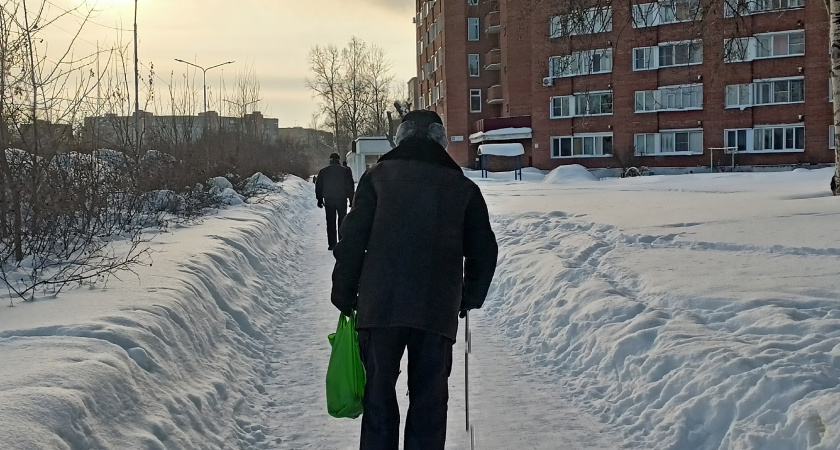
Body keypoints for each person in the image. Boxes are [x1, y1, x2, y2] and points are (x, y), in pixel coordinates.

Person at [330, 110, 498, 449]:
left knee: (378, 398)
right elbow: (484, 250)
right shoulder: (463, 187)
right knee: (429, 402)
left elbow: (353, 238)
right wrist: (468, 297)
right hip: (437, 308)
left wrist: (344, 292)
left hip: (380, 306)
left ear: (401, 137)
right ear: (441, 140)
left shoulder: (377, 178)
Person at [316, 152, 355, 250]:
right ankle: (342, 242)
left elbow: (319, 186)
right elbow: (350, 186)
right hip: (341, 199)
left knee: (330, 222)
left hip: (329, 200)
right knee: (342, 221)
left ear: (330, 160)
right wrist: (351, 199)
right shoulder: (345, 171)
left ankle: (332, 244)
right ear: (338, 160)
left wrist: (319, 199)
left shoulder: (323, 171)